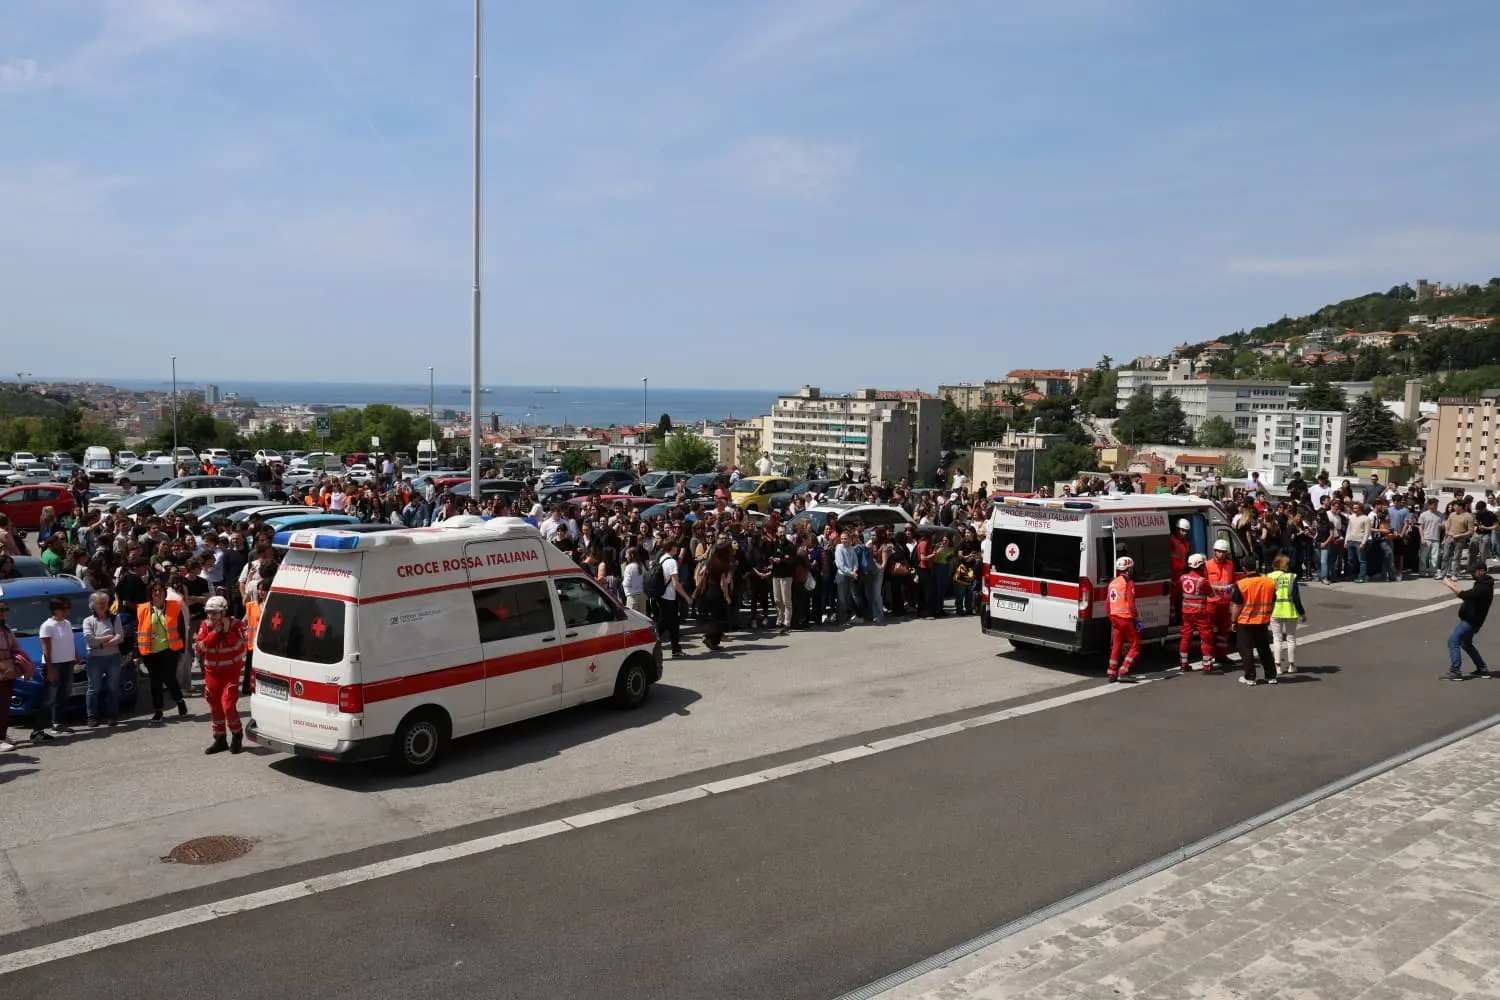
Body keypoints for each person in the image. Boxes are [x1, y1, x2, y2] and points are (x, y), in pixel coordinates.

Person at [194, 595, 247, 753]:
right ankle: (220, 739)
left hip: (230, 674)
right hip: (212, 675)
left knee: (228, 706)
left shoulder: (236, 625)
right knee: (215, 706)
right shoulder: (205, 625)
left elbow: (241, 647)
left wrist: (226, 632)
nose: (211, 616)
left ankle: (237, 735)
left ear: (223, 613)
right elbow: (199, 648)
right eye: (209, 612)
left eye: (215, 613)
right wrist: (215, 634)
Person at [136, 580, 189, 723]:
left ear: (165, 592)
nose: (157, 593)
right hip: (150, 651)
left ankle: (179, 701)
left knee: (169, 678)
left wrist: (182, 649)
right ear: (150, 593)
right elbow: (139, 630)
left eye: (160, 590)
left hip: (169, 649)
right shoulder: (142, 609)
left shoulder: (174, 606)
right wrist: (137, 654)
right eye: (155, 591)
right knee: (155, 681)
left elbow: (181, 629)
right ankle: (158, 710)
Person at [81, 590, 127, 727]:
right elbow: (89, 640)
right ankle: (92, 716)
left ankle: (112, 715)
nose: (102, 606)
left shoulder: (115, 619)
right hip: (94, 659)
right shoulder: (88, 621)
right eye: (99, 603)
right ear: (93, 605)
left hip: (113, 657)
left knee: (113, 687)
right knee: (94, 688)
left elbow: (120, 637)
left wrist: (100, 643)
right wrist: (106, 640)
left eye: (104, 603)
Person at [35, 596, 77, 740]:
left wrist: (76, 654)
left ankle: (58, 723)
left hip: (67, 663)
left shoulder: (67, 623)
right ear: (56, 610)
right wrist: (50, 669)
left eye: (68, 607)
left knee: (63, 695)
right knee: (49, 699)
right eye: (64, 608)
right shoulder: (47, 626)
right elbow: (46, 650)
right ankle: (37, 730)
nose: (68, 610)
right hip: (55, 665)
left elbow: (69, 641)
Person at [1441, 564, 1493, 681]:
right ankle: (1482, 669)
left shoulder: (1483, 586)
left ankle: (1456, 671)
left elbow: (1466, 595)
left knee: (1453, 641)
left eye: (1474, 572)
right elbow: (1467, 594)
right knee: (1466, 644)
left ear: (1481, 571)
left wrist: (1449, 585)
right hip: (1474, 621)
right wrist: (1455, 587)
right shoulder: (1482, 584)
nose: (1472, 574)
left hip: (1471, 621)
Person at [1231, 558, 1277, 685]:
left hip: (1245, 622)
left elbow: (1237, 606)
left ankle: (1250, 677)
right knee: (1264, 649)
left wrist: (1233, 621)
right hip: (1262, 621)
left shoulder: (1241, 584)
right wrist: (1268, 615)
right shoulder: (1269, 582)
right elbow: (1272, 602)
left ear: (1244, 569)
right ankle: (1271, 676)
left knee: (1245, 649)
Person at [1267, 554, 1306, 676]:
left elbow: (1268, 596)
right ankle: (1291, 665)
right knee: (1290, 638)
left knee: (1277, 638)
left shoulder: (1269, 577)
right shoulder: (1292, 577)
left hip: (1275, 610)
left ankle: (1277, 666)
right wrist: (1302, 613)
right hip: (1290, 610)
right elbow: (1296, 597)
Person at [1178, 553, 1215, 673]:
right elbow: (1211, 594)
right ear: (1200, 566)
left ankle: (1183, 664)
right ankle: (1207, 665)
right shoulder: (1202, 581)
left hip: (1186, 613)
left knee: (1186, 637)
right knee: (1206, 637)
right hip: (1200, 614)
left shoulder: (1183, 578)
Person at [1106, 556, 1140, 682]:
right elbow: (1131, 604)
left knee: (1117, 645)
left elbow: (1107, 605)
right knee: (1135, 645)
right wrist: (1136, 619)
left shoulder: (1113, 583)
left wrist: (1112, 619)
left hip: (1115, 618)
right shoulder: (1129, 583)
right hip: (1126, 618)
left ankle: (1111, 672)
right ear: (1129, 569)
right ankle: (1123, 670)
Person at [1204, 539, 1237, 666]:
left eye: (1223, 552)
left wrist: (1231, 587)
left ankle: (1222, 656)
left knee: (1224, 631)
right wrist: (1219, 588)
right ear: (1214, 552)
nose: (1221, 554)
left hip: (1225, 603)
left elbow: (1232, 580)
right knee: (1210, 631)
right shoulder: (1207, 565)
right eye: (1219, 552)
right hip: (1212, 602)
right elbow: (1205, 584)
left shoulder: (1230, 565)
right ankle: (1208, 657)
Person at [0, 600, 23, 752]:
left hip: (7, 670)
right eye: (1, 610)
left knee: (5, 705)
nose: (3, 613)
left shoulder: (6, 628)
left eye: (5, 610)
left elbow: (15, 646)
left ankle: (2, 734)